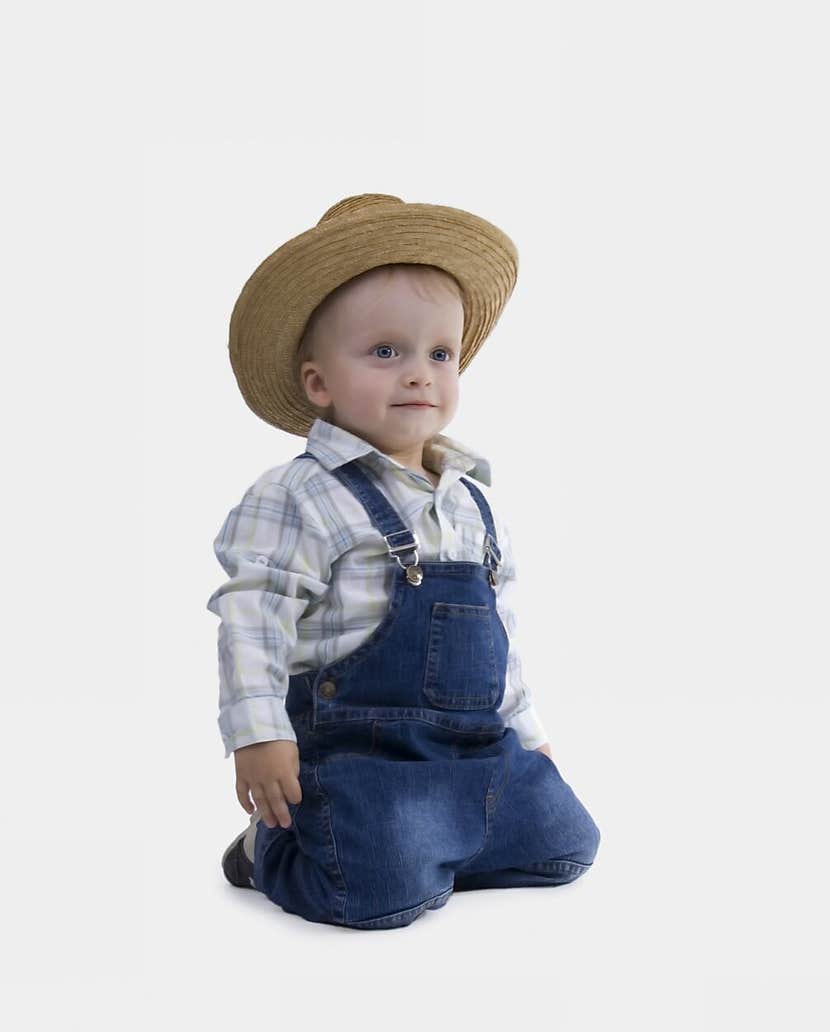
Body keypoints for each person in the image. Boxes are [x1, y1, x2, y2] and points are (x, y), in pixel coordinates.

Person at [207, 193, 600, 930]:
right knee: (381, 898)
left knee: (567, 846)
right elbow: (251, 615)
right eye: (386, 352)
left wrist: (528, 731)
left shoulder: (473, 503)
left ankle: (430, 844)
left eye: (439, 354)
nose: (419, 374)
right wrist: (258, 732)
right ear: (319, 383)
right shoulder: (299, 495)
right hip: (358, 759)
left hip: (472, 753)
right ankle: (274, 850)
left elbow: (499, 639)